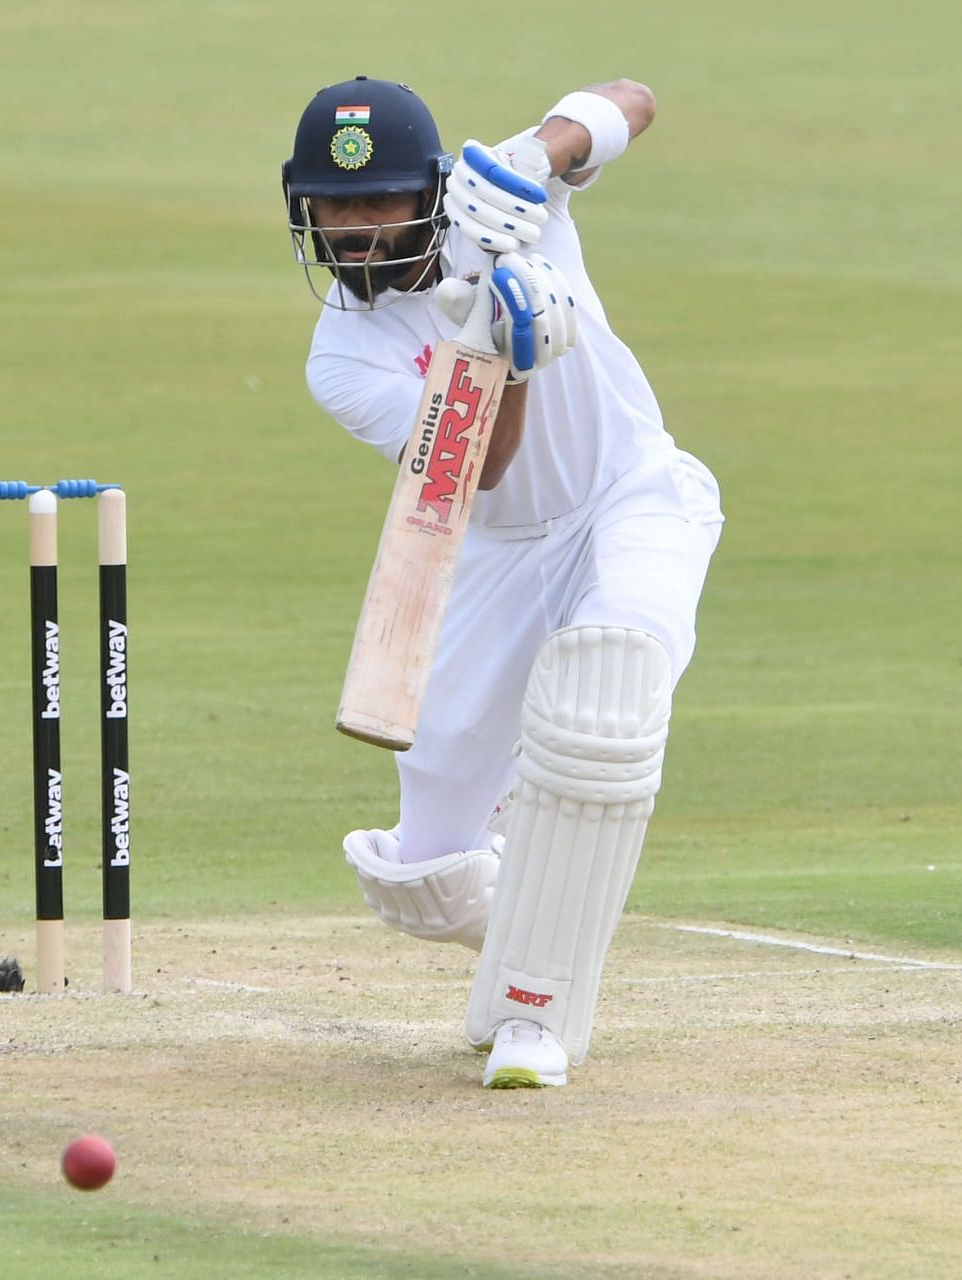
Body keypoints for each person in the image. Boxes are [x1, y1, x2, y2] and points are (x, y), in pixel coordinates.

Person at [283, 76, 724, 1088]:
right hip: (493, 548)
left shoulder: (506, 192)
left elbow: (636, 97)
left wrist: (540, 154)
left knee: (606, 689)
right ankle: (541, 933)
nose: (352, 227)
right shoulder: (342, 358)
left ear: (430, 190)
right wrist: (508, 356)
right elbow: (480, 469)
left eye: (376, 200)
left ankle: (536, 1014)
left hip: (631, 495)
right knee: (424, 873)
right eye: (333, 205)